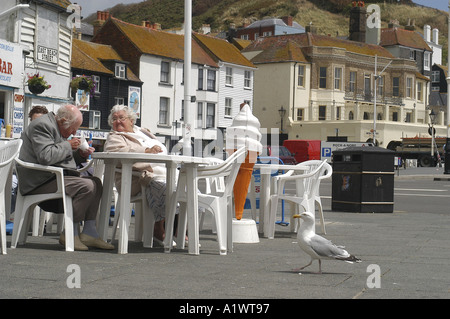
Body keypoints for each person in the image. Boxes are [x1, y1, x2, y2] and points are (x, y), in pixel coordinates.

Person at [17, 104, 114, 251]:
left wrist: (80, 155)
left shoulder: (55, 127)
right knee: (86, 186)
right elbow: (46, 156)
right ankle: (70, 233)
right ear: (62, 121)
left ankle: (89, 232)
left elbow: (58, 157)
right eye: (73, 128)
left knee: (96, 183)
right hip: (38, 181)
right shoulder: (42, 125)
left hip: (51, 177)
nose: (74, 133)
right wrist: (68, 145)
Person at [104, 104, 169, 244]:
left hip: (163, 171)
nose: (118, 121)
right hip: (135, 178)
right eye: (114, 119)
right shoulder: (114, 137)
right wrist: (145, 150)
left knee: (185, 188)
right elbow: (117, 152)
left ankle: (178, 229)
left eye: (121, 118)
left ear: (131, 120)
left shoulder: (143, 132)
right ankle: (158, 228)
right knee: (164, 188)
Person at [226, 102, 262, 220]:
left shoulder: (237, 121)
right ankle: (238, 214)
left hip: (241, 147)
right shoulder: (253, 123)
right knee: (243, 179)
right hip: (251, 148)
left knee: (240, 179)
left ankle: (238, 214)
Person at [11, 106, 49, 214]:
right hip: (21, 171)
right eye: (34, 121)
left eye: (40, 121)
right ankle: (9, 217)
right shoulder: (26, 135)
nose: (37, 124)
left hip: (37, 175)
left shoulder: (48, 136)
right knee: (10, 184)